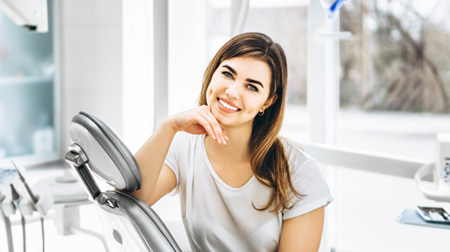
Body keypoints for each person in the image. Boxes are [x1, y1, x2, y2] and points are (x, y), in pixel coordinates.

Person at [131, 32, 333, 252]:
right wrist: (168, 127)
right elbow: (132, 199)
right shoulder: (183, 146)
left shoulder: (299, 172)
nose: (232, 92)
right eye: (227, 74)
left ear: (268, 101)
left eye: (252, 86)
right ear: (213, 72)